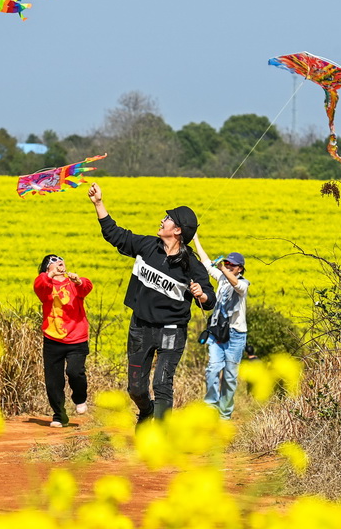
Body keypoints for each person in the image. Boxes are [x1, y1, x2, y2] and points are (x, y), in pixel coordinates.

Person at [87, 182, 216, 423]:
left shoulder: (193, 265)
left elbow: (210, 299)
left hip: (172, 331)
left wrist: (202, 294)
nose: (162, 220)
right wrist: (98, 203)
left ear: (177, 230)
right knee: (135, 388)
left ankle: (161, 436)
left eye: (167, 219)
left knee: (162, 383)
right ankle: (146, 412)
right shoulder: (147, 246)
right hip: (140, 328)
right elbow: (115, 235)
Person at [193, 234, 249, 420]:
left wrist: (223, 269)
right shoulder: (223, 278)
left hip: (236, 336)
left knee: (230, 377)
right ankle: (210, 408)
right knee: (213, 368)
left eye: (232, 264)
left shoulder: (243, 283)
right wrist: (196, 239)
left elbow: (236, 285)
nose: (228, 266)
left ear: (240, 268)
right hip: (217, 332)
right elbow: (206, 262)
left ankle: (224, 415)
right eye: (227, 263)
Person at [33, 254, 93, 428]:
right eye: (53, 261)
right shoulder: (45, 285)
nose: (59, 261)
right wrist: (49, 276)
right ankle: (59, 416)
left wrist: (78, 281)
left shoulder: (73, 283)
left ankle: (80, 398)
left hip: (77, 338)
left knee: (75, 372)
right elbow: (39, 285)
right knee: (53, 381)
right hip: (52, 340)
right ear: (47, 268)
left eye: (60, 259)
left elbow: (86, 287)